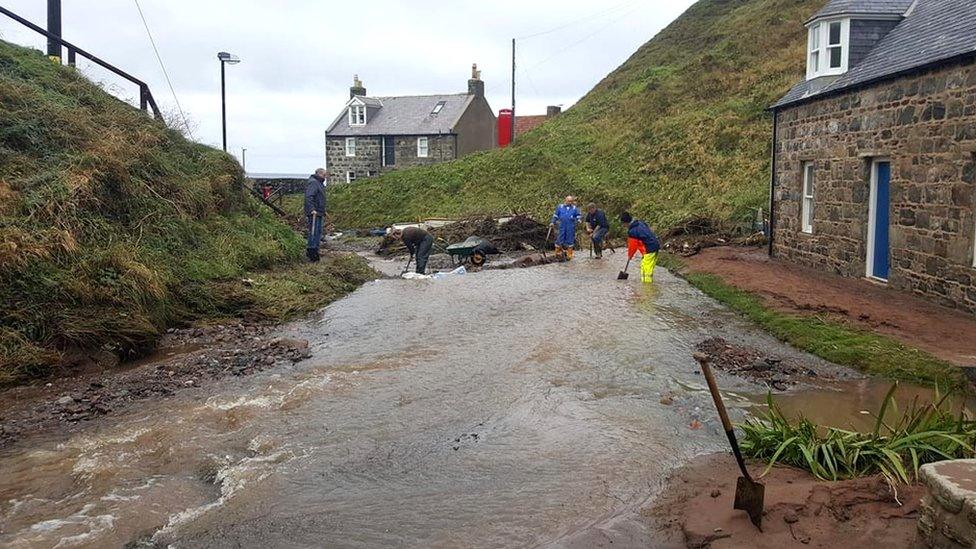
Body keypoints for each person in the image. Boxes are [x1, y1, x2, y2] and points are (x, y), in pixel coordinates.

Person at [620, 212, 661, 283]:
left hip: (649, 249)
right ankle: (649, 285)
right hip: (655, 246)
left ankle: (646, 288)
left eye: (623, 224)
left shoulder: (632, 231)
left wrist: (630, 256)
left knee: (645, 269)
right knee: (649, 268)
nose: (623, 226)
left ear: (626, 223)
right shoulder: (640, 223)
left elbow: (632, 246)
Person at [303, 168, 328, 262]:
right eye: (324, 175)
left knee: (318, 232)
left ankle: (315, 251)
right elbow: (309, 197)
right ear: (319, 174)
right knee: (313, 232)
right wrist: (312, 209)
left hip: (319, 211)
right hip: (314, 212)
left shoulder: (319, 183)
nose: (325, 177)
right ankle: (311, 252)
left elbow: (320, 198)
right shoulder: (313, 183)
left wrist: (323, 210)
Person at [550, 195, 581, 261]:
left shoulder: (574, 208)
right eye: (568, 201)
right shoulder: (560, 207)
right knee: (560, 238)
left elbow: (578, 216)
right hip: (561, 225)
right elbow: (555, 215)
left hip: (570, 226)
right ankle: (558, 253)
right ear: (565, 200)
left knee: (570, 239)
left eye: (571, 201)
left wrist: (578, 220)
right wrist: (552, 222)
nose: (569, 202)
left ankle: (569, 254)